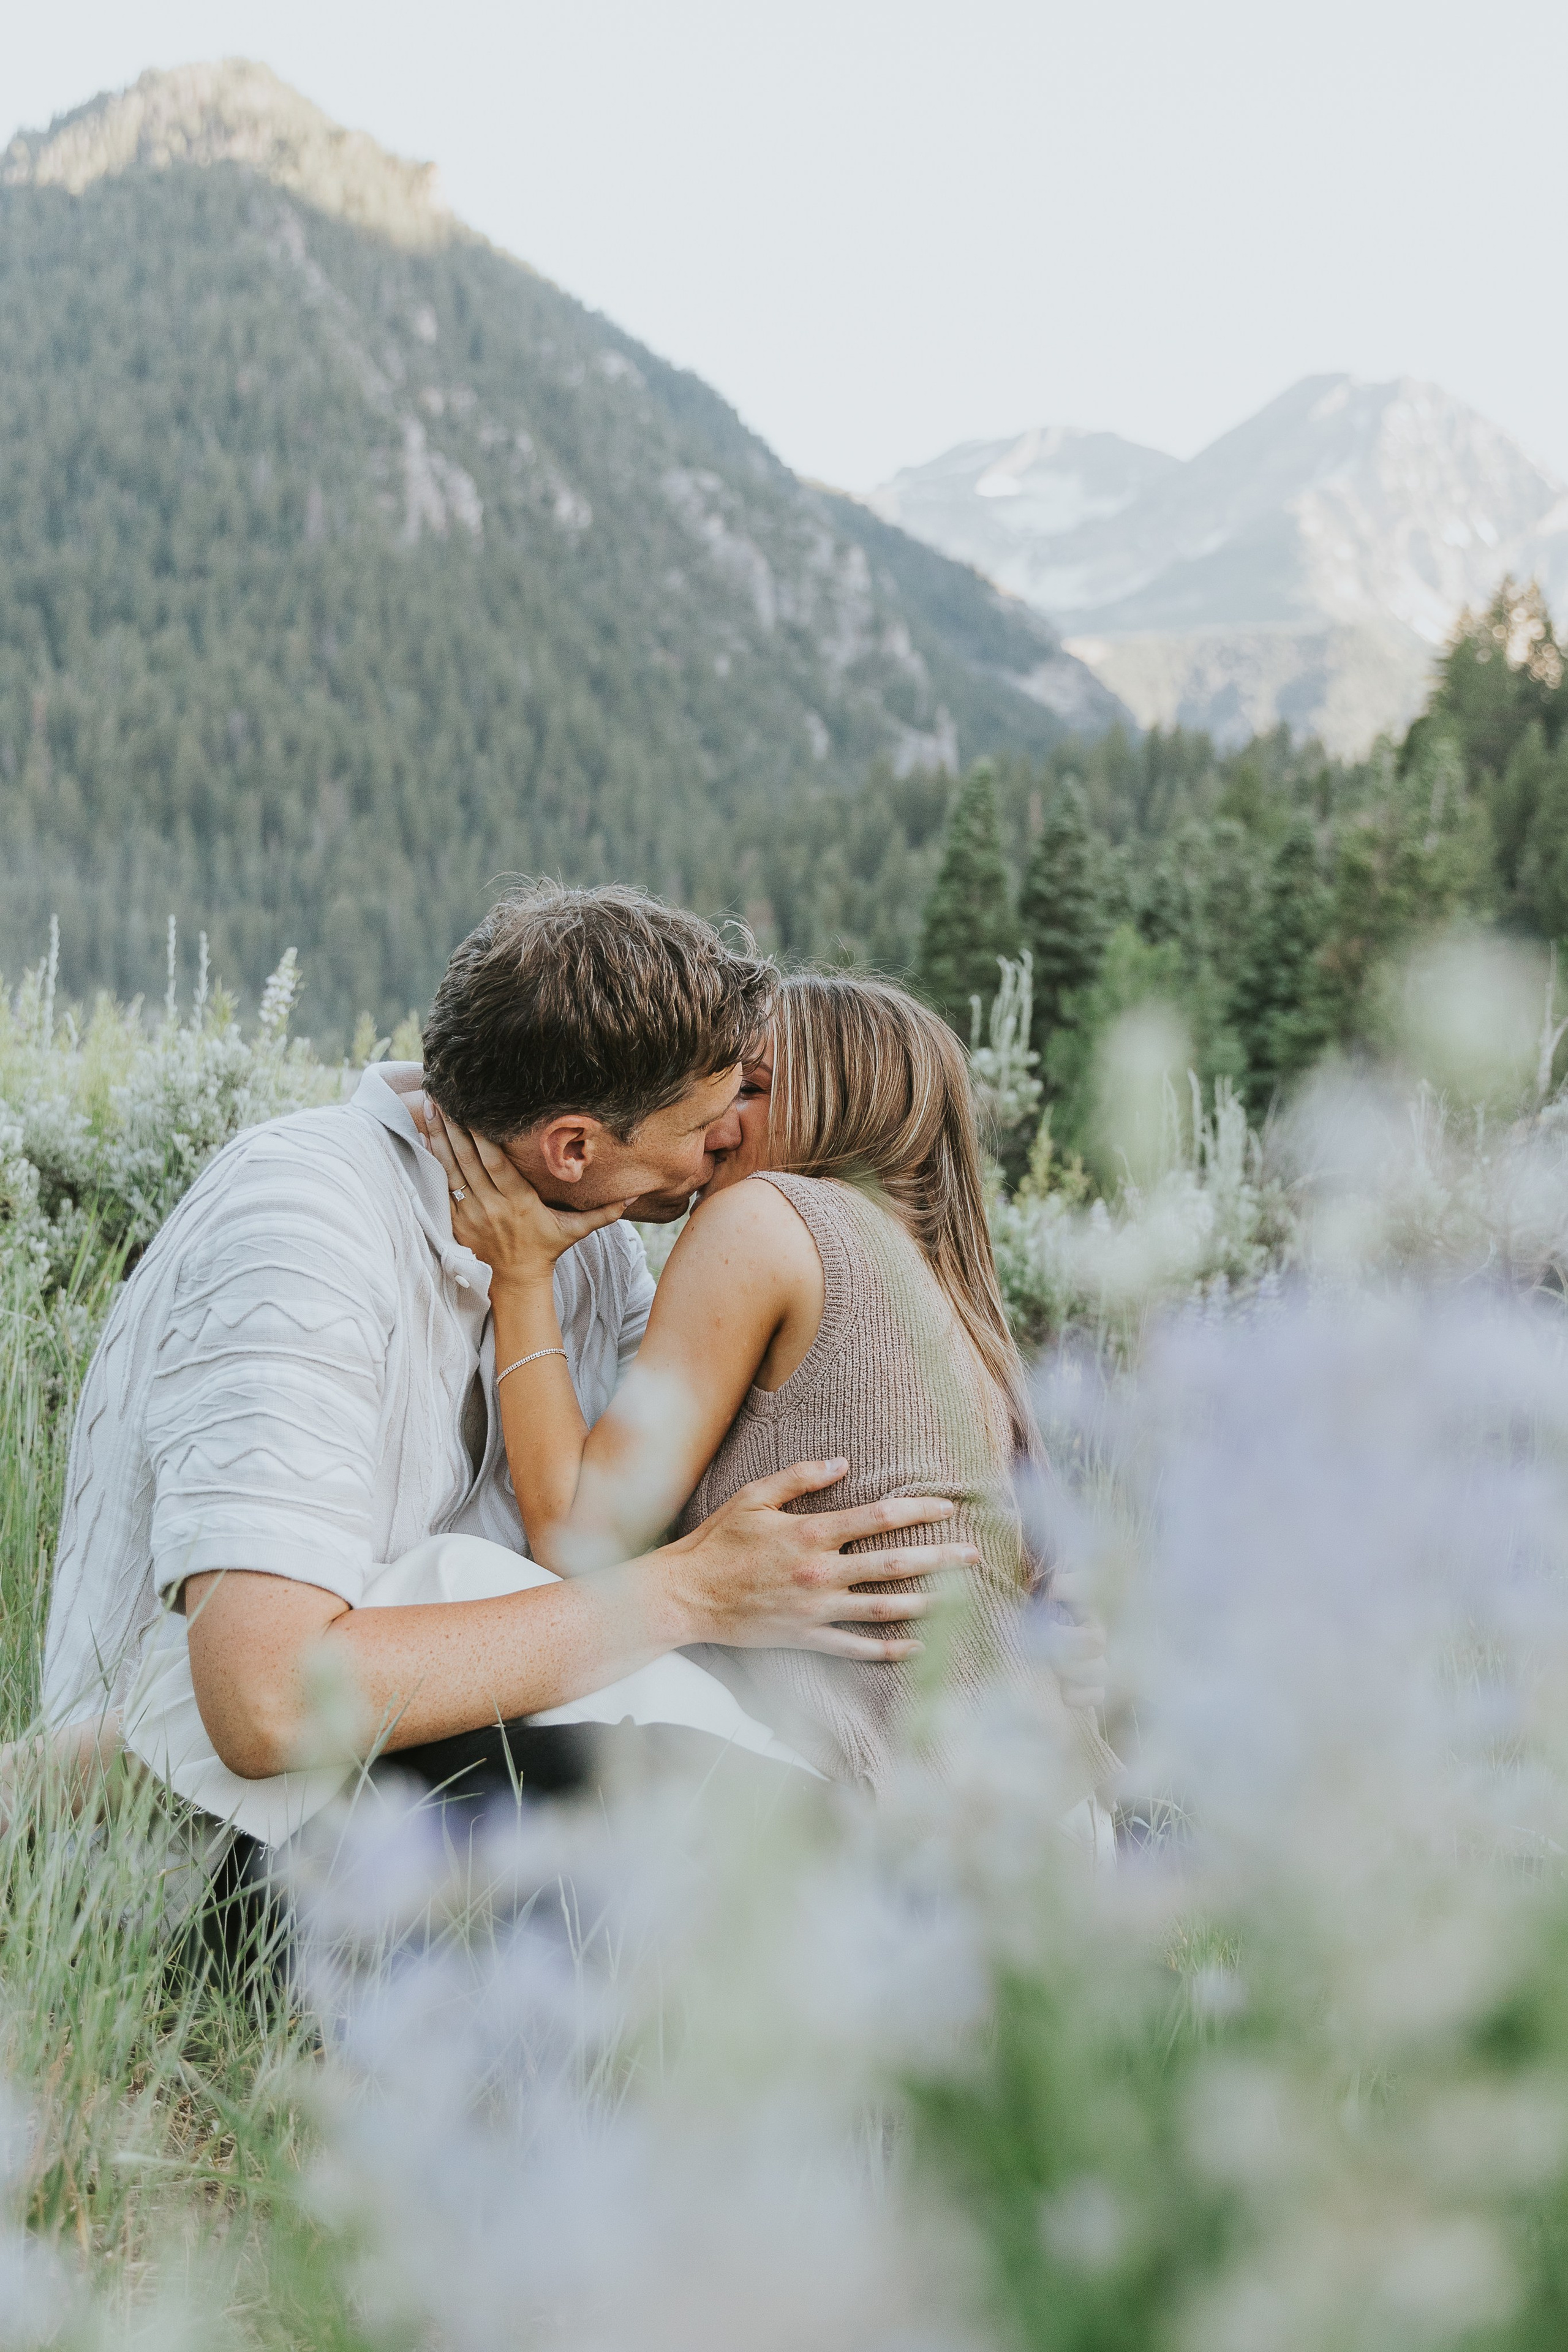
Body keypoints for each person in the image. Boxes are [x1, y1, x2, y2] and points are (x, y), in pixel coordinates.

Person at [36, 888, 976, 1858]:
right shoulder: (305, 1225)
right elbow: (270, 1705)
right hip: (188, 1846)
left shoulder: (595, 1249)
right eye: (707, 1120)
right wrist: (683, 1595)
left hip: (440, 1778)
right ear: (572, 1146)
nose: (722, 1150)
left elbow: (628, 1522)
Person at [418, 970, 1113, 1799]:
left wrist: (523, 1271)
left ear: (838, 1105)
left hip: (869, 1809)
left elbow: (579, 1535)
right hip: (1025, 1818)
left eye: (748, 1087)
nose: (714, 1122)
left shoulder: (766, 1219)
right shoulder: (942, 1290)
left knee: (443, 1587)